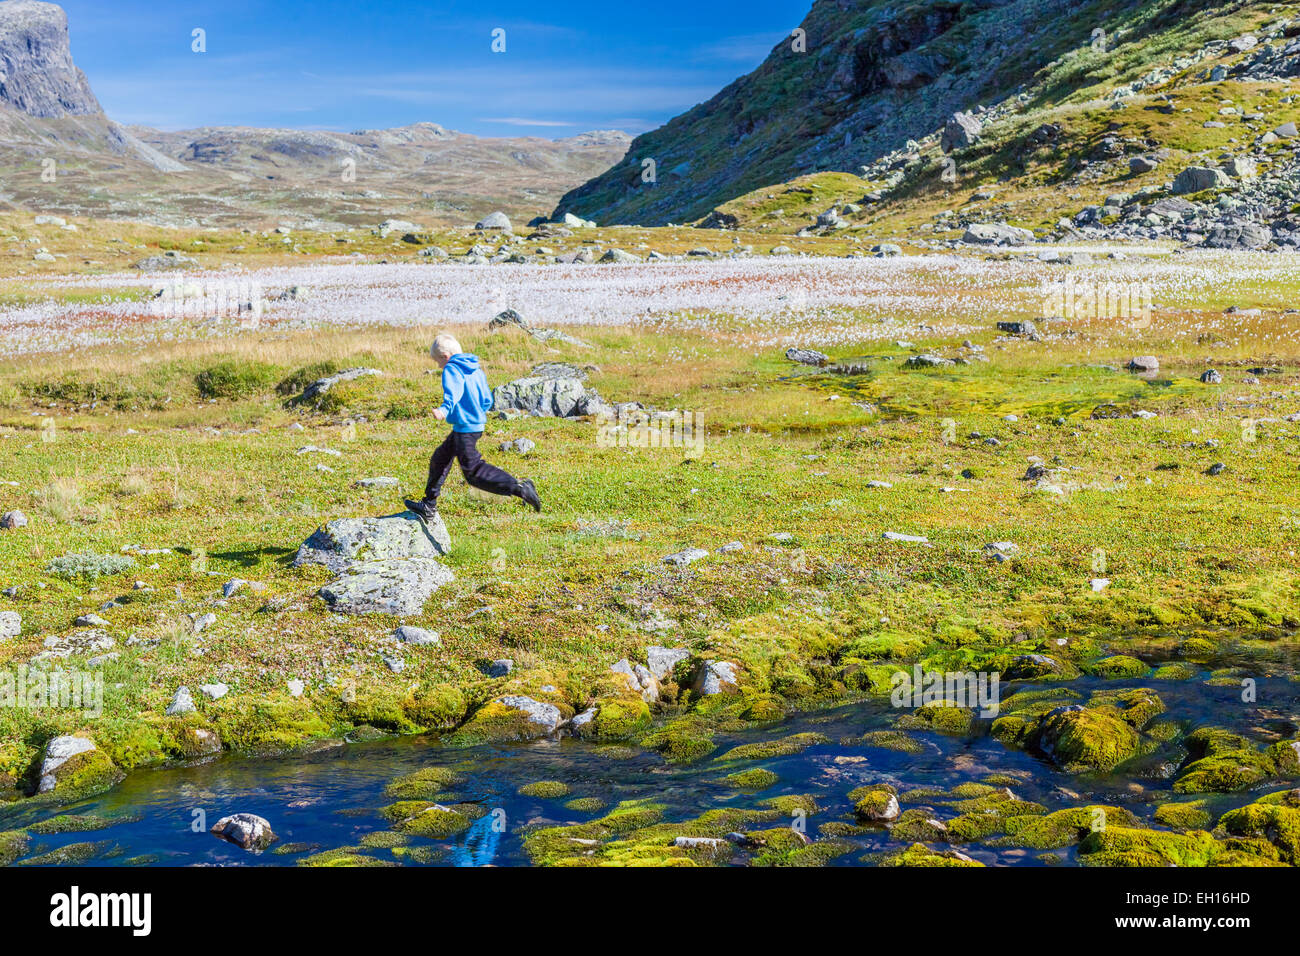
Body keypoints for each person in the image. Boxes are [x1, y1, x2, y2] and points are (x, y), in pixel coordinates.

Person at [403, 333, 541, 518]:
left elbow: (454, 392)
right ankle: (429, 504)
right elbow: (487, 399)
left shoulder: (452, 368)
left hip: (466, 428)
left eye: (438, 362)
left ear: (445, 356)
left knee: (474, 472)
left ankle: (520, 488)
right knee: (440, 458)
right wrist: (475, 413)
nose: (439, 366)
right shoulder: (475, 368)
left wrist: (444, 410)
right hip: (472, 425)